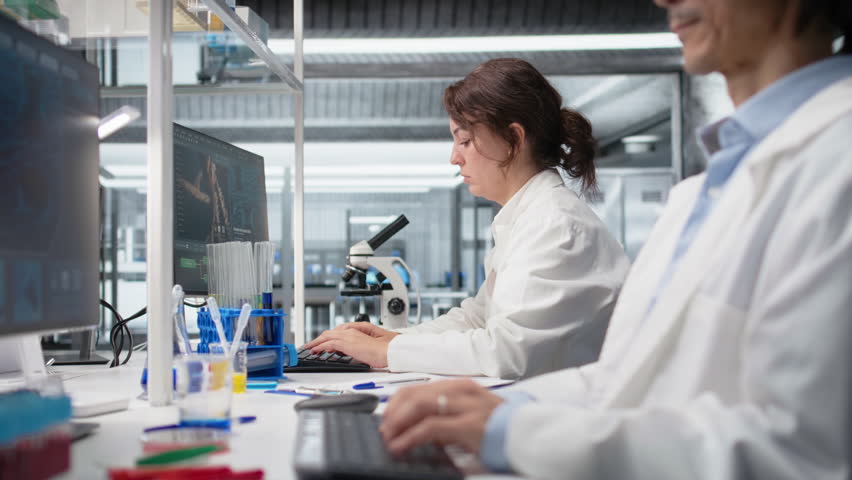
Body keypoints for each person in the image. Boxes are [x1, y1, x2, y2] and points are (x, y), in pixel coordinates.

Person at [379, 0, 852, 478]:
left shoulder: (837, 165)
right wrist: (500, 409)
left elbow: (804, 451)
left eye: (464, 140)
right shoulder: (701, 193)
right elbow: (625, 379)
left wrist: (513, 429)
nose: (664, 1)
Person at [304, 58, 631, 379]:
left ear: (514, 140)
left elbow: (507, 351)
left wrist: (387, 352)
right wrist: (393, 339)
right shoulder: (527, 218)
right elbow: (478, 317)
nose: (454, 157)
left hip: (566, 407)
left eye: (465, 141)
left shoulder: (555, 226)